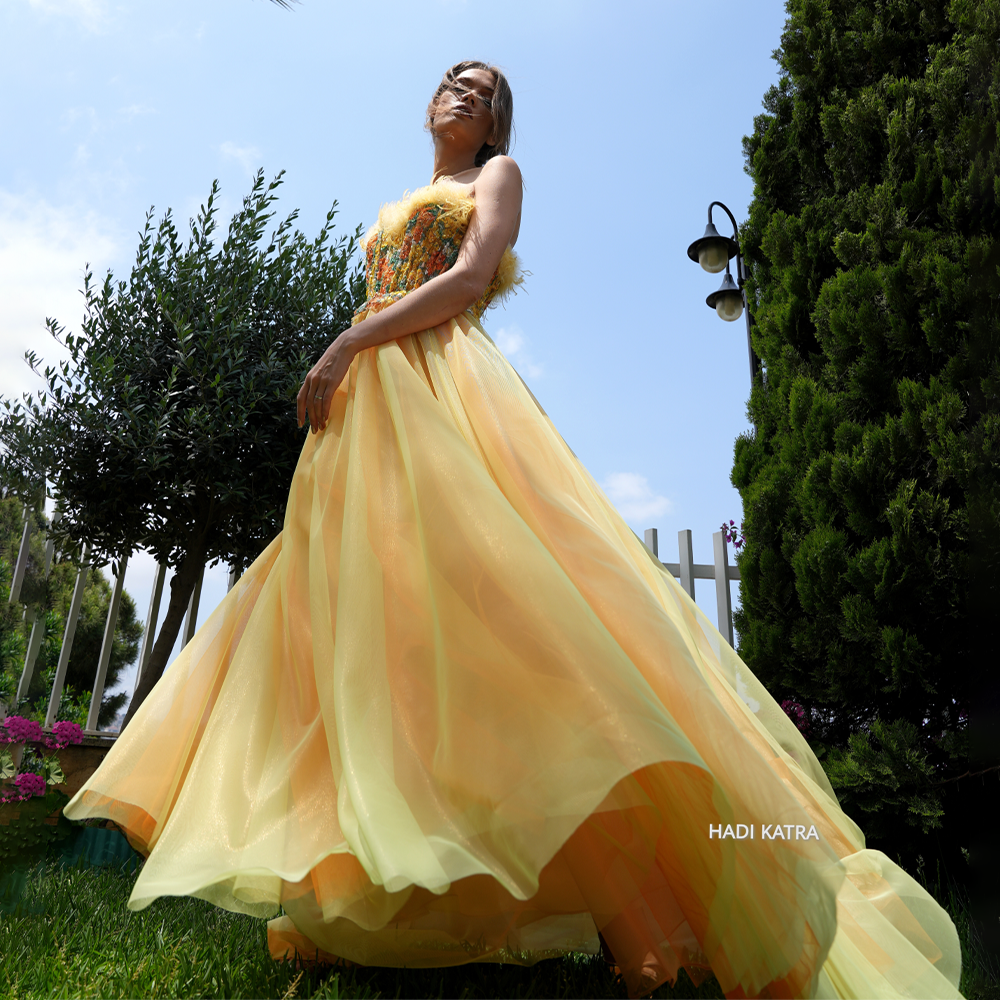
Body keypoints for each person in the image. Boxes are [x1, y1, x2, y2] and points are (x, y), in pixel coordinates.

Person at [65, 61, 965, 1000]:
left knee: (508, 625)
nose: (465, 91)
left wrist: (345, 343)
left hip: (441, 390)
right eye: (454, 80)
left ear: (499, 120)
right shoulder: (405, 194)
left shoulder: (495, 178)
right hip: (370, 415)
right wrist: (354, 357)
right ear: (429, 104)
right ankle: (359, 890)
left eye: (485, 88)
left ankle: (645, 914)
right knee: (374, 638)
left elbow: (468, 279)